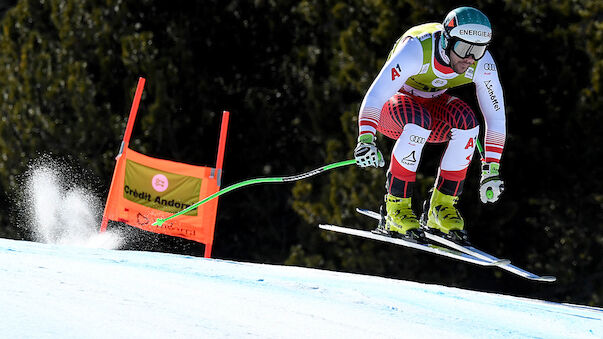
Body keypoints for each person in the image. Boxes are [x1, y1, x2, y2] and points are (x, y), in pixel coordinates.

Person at [353, 7, 505, 244]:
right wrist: (366, 139)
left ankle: (441, 209)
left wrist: (491, 169)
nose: (470, 58)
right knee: (417, 122)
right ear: (446, 39)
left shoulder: (481, 62)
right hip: (391, 111)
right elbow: (375, 96)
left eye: (478, 49)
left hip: (432, 107)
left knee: (467, 122)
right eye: (464, 48)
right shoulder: (417, 49)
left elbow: (495, 117)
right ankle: (396, 208)